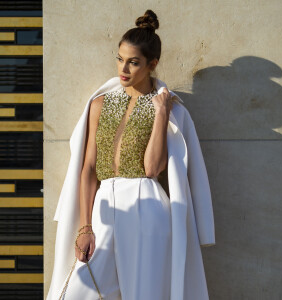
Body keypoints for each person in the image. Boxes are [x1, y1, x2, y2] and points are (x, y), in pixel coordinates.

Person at [46, 9, 215, 300]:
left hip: (146, 206)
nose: (123, 69)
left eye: (133, 62)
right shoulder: (99, 104)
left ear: (152, 64)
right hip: (103, 205)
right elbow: (88, 168)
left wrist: (161, 114)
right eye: (120, 59)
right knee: (77, 292)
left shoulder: (168, 109)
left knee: (144, 294)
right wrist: (85, 227)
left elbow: (152, 169)